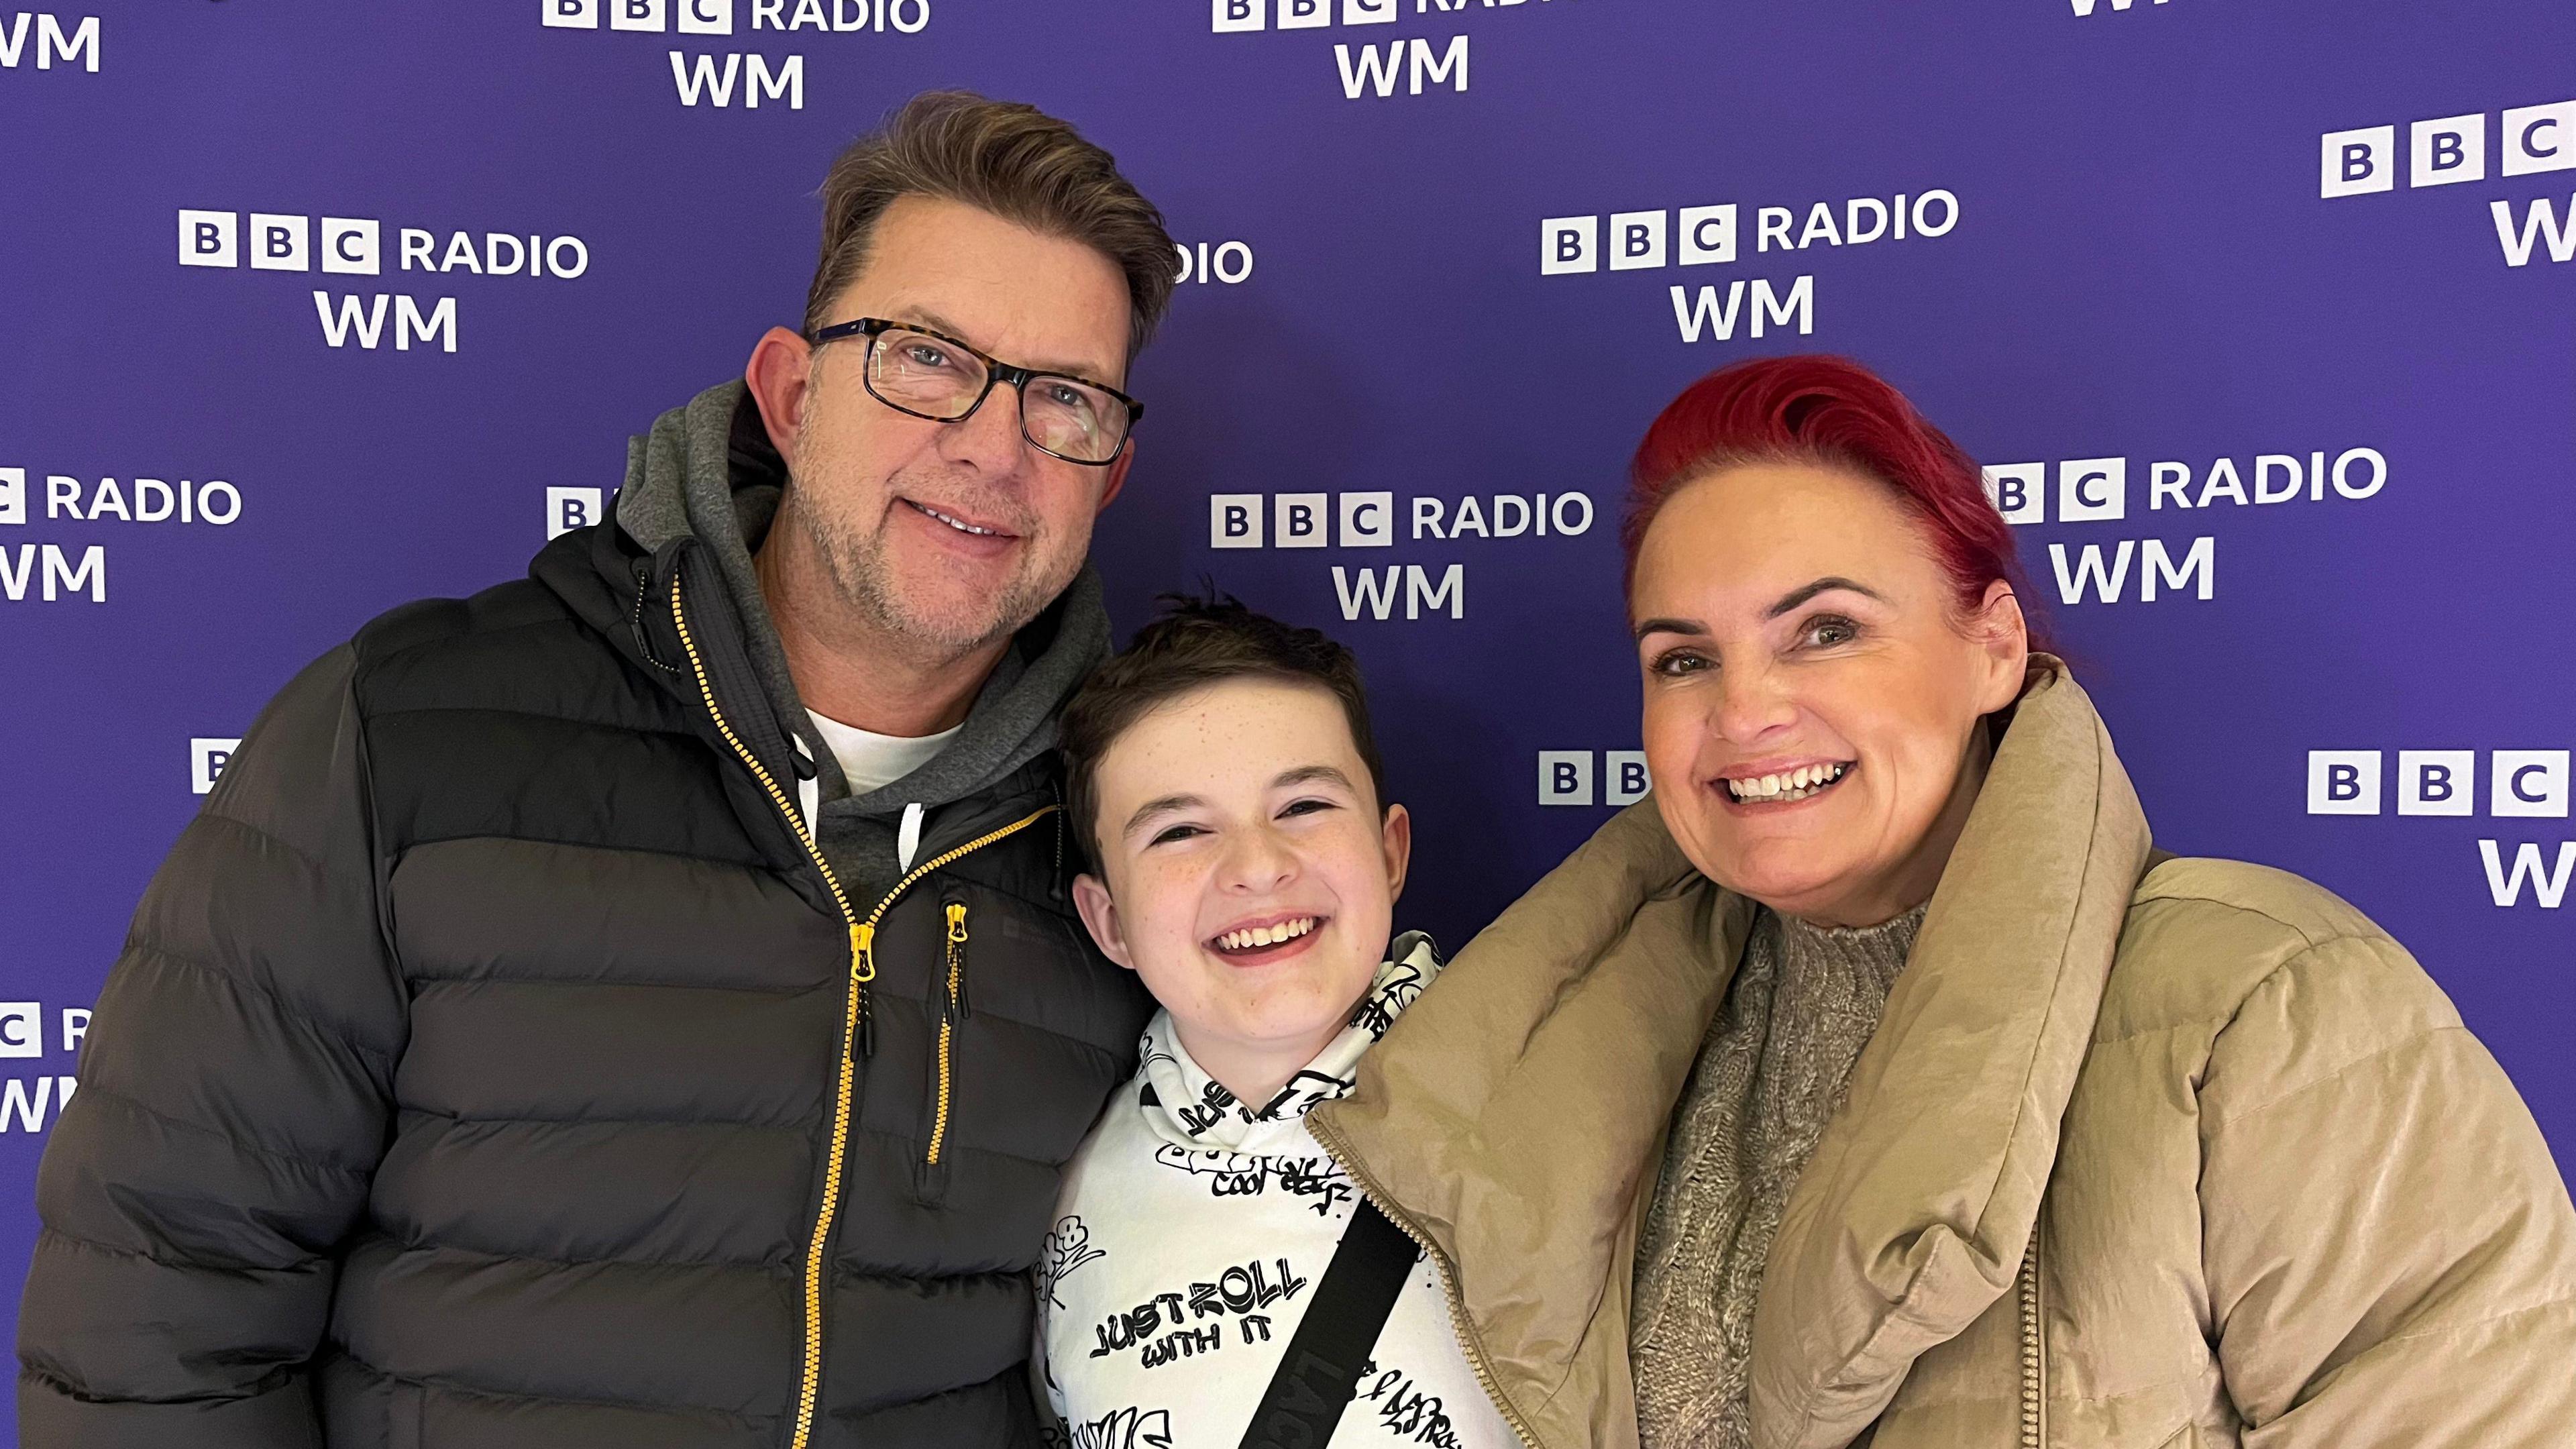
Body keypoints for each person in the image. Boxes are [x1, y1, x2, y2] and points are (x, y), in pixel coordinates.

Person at [17, 91, 1173, 1448]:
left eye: (1066, 399)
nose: (992, 445)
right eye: (923, 358)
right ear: (793, 397)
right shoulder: (408, 732)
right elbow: (158, 1315)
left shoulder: (1144, 843)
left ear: (1111, 472)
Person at [1307, 356, 2576, 1449]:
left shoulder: (2270, 1008)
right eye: (1685, 659)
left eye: (1826, 632)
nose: (1745, 712)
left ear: (1993, 646)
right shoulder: (1603, 1055)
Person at [1037, 597, 1515, 1448]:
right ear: (1108, 921)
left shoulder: (1554, 1100)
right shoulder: (1043, 1192)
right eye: (1181, 831)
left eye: (1303, 808)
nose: (1257, 867)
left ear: (1391, 851)